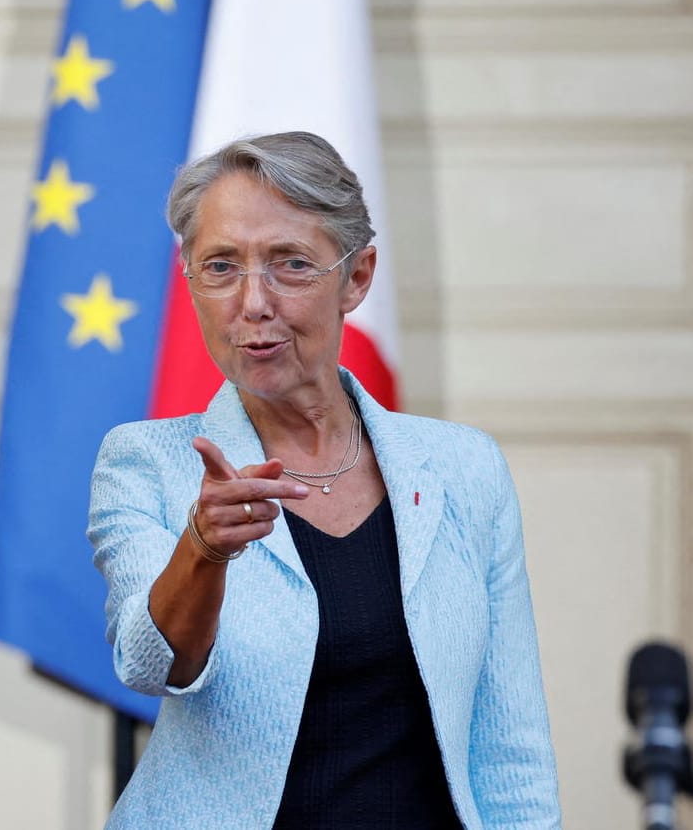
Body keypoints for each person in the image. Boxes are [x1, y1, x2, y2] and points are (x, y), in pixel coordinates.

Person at [88, 131, 560, 828]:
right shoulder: (147, 460)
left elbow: (510, 746)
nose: (252, 302)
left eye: (289, 264)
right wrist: (202, 549)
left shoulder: (463, 468)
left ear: (357, 277)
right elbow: (148, 665)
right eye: (220, 267)